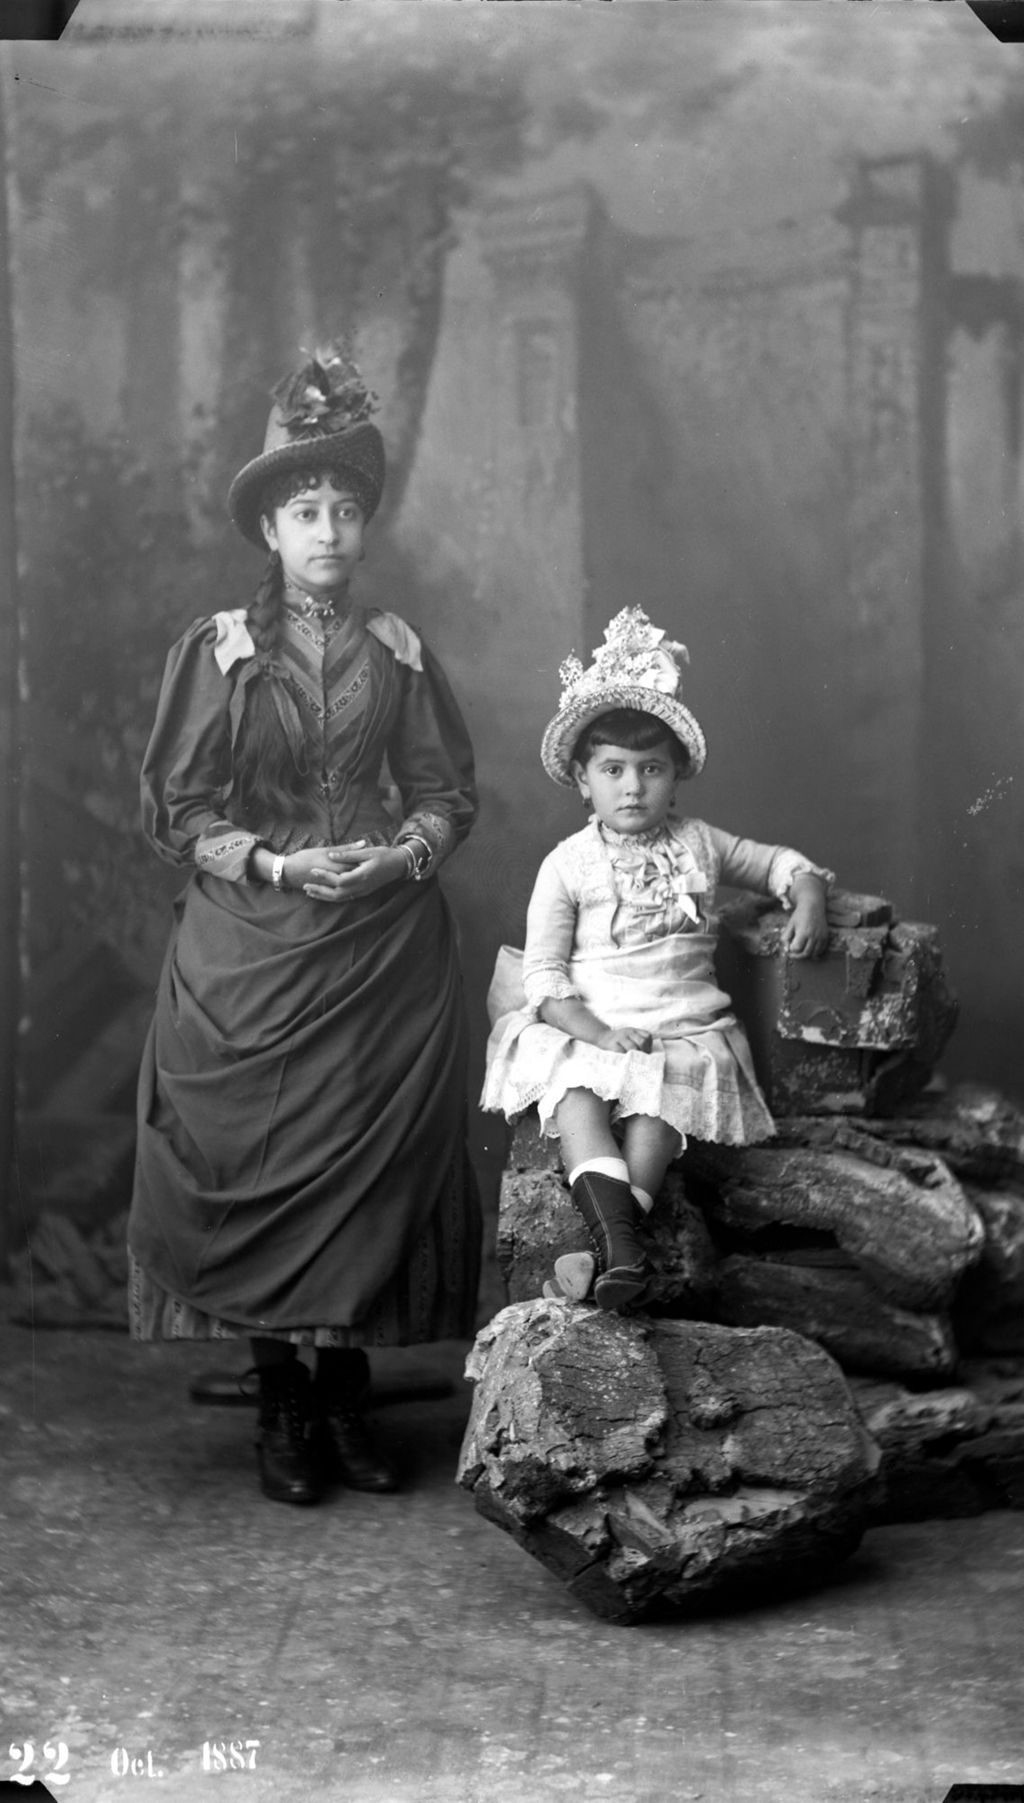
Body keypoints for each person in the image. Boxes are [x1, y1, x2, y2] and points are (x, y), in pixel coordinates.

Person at [128, 339, 480, 1505]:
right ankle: (283, 1399)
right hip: (252, 945)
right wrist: (278, 863)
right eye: (303, 511)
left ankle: (346, 1394)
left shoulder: (396, 653)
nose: (327, 532)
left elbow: (446, 794)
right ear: (270, 533)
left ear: (365, 528)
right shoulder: (220, 653)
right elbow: (179, 812)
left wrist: (399, 856)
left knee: (364, 1180)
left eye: (343, 510)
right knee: (259, 1151)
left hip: (379, 950)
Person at [481, 606, 831, 1312]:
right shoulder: (569, 863)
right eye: (612, 770)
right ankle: (625, 1250)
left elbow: (776, 862)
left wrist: (807, 890)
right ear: (583, 780)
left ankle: (607, 1252)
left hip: (680, 1029)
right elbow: (544, 974)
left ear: (676, 778)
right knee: (576, 1094)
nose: (632, 787)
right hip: (593, 1022)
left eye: (651, 769)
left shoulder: (701, 843)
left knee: (658, 1113)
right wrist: (598, 1033)